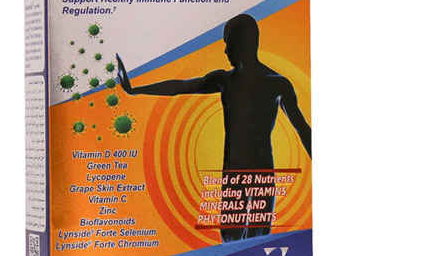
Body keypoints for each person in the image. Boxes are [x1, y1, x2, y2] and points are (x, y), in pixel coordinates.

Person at [116, 14, 312, 242]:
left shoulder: (276, 83)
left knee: (257, 242)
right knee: (230, 239)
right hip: (235, 174)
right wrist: (136, 90)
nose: (226, 51)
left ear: (243, 43)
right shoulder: (226, 80)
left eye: (229, 44)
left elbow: (303, 129)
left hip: (261, 176)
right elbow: (181, 86)